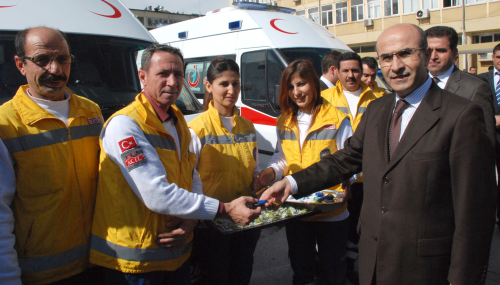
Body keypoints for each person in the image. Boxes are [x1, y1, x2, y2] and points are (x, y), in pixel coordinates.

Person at [261, 24, 496, 285]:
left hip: (425, 267)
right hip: (373, 261)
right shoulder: (377, 109)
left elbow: (474, 211)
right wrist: (291, 183)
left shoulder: (461, 114)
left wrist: (464, 278)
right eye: (386, 57)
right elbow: (345, 159)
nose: (395, 66)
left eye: (405, 53)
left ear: (426, 56)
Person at [89, 44, 260, 285]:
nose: (172, 81)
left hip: (176, 256)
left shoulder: (177, 121)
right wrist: (223, 209)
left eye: (178, 74)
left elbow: (192, 174)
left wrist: (192, 219)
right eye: (163, 74)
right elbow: (156, 194)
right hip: (134, 264)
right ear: (142, 77)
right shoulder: (125, 125)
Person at [0, 27, 104, 285]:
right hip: (42, 275)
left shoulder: (91, 111)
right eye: (42, 60)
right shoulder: (6, 123)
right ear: (20, 64)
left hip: (99, 261)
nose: (56, 70)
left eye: (63, 59)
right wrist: (9, 278)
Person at [255, 59, 356, 285]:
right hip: (297, 209)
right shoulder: (284, 120)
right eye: (290, 87)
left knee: (333, 272)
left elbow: (351, 160)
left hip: (331, 211)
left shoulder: (337, 119)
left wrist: (350, 180)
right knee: (302, 270)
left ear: (313, 83)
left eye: (301, 84)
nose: (296, 92)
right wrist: (271, 172)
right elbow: (283, 157)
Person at [188, 57, 264, 285]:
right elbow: (188, 178)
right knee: (215, 278)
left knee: (241, 275)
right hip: (212, 225)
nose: (231, 90)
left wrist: (265, 182)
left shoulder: (248, 126)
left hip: (246, 221)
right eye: (224, 84)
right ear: (208, 86)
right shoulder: (196, 129)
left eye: (236, 84)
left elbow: (255, 168)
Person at [321, 52, 377, 283]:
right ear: (337, 71)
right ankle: (334, 272)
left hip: (368, 179)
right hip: (337, 178)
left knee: (359, 230)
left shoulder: (379, 98)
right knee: (334, 234)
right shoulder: (323, 98)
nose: (351, 75)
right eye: (346, 71)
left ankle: (356, 273)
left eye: (355, 70)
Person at [425, 26, 495, 147]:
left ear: (454, 53)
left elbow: (486, 142)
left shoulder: (476, 88)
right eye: (429, 51)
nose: (433, 56)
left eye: (441, 50)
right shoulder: (414, 85)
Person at [479, 42, 500, 227]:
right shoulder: (480, 80)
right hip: (487, 135)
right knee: (485, 178)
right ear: (493, 58)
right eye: (498, 57)